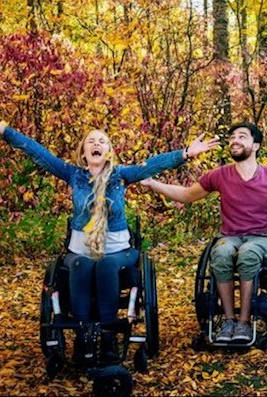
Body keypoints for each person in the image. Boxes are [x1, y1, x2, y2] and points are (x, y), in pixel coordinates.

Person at [0, 121, 219, 363]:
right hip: (80, 250)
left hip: (118, 250)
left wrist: (185, 153)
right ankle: (84, 336)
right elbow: (38, 152)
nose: (96, 144)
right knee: (80, 264)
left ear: (109, 151)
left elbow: (153, 163)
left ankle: (107, 338)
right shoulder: (73, 175)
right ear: (83, 151)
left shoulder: (120, 175)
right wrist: (4, 131)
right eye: (91, 141)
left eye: (102, 141)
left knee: (105, 264)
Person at [141, 121, 267, 342]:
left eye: (242, 136)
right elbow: (187, 195)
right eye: (232, 136)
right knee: (221, 253)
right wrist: (152, 183)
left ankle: (244, 323)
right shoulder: (219, 175)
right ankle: (228, 321)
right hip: (230, 236)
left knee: (248, 253)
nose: (234, 140)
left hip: (262, 237)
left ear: (256, 145)